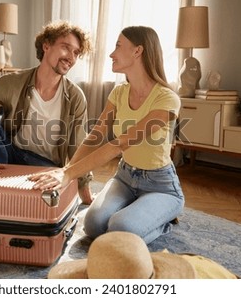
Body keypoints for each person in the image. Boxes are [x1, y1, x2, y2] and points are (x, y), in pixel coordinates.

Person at [30, 26, 185, 244]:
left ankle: (164, 216)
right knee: (93, 225)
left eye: (118, 46)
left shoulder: (167, 99)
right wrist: (67, 171)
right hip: (125, 177)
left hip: (160, 184)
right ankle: (139, 212)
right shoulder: (119, 92)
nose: (111, 54)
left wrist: (68, 174)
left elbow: (119, 144)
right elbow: (96, 135)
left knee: (118, 229)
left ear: (138, 51)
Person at [0, 20, 94, 204]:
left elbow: (78, 147)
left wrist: (85, 196)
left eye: (76, 52)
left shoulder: (75, 96)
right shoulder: (12, 82)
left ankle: (2, 188)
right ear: (46, 46)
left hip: (44, 165)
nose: (71, 57)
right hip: (8, 155)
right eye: (65, 47)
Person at [47, 231, 239, 279]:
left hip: (159, 180)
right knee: (97, 223)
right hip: (127, 176)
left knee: (125, 227)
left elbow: (118, 144)